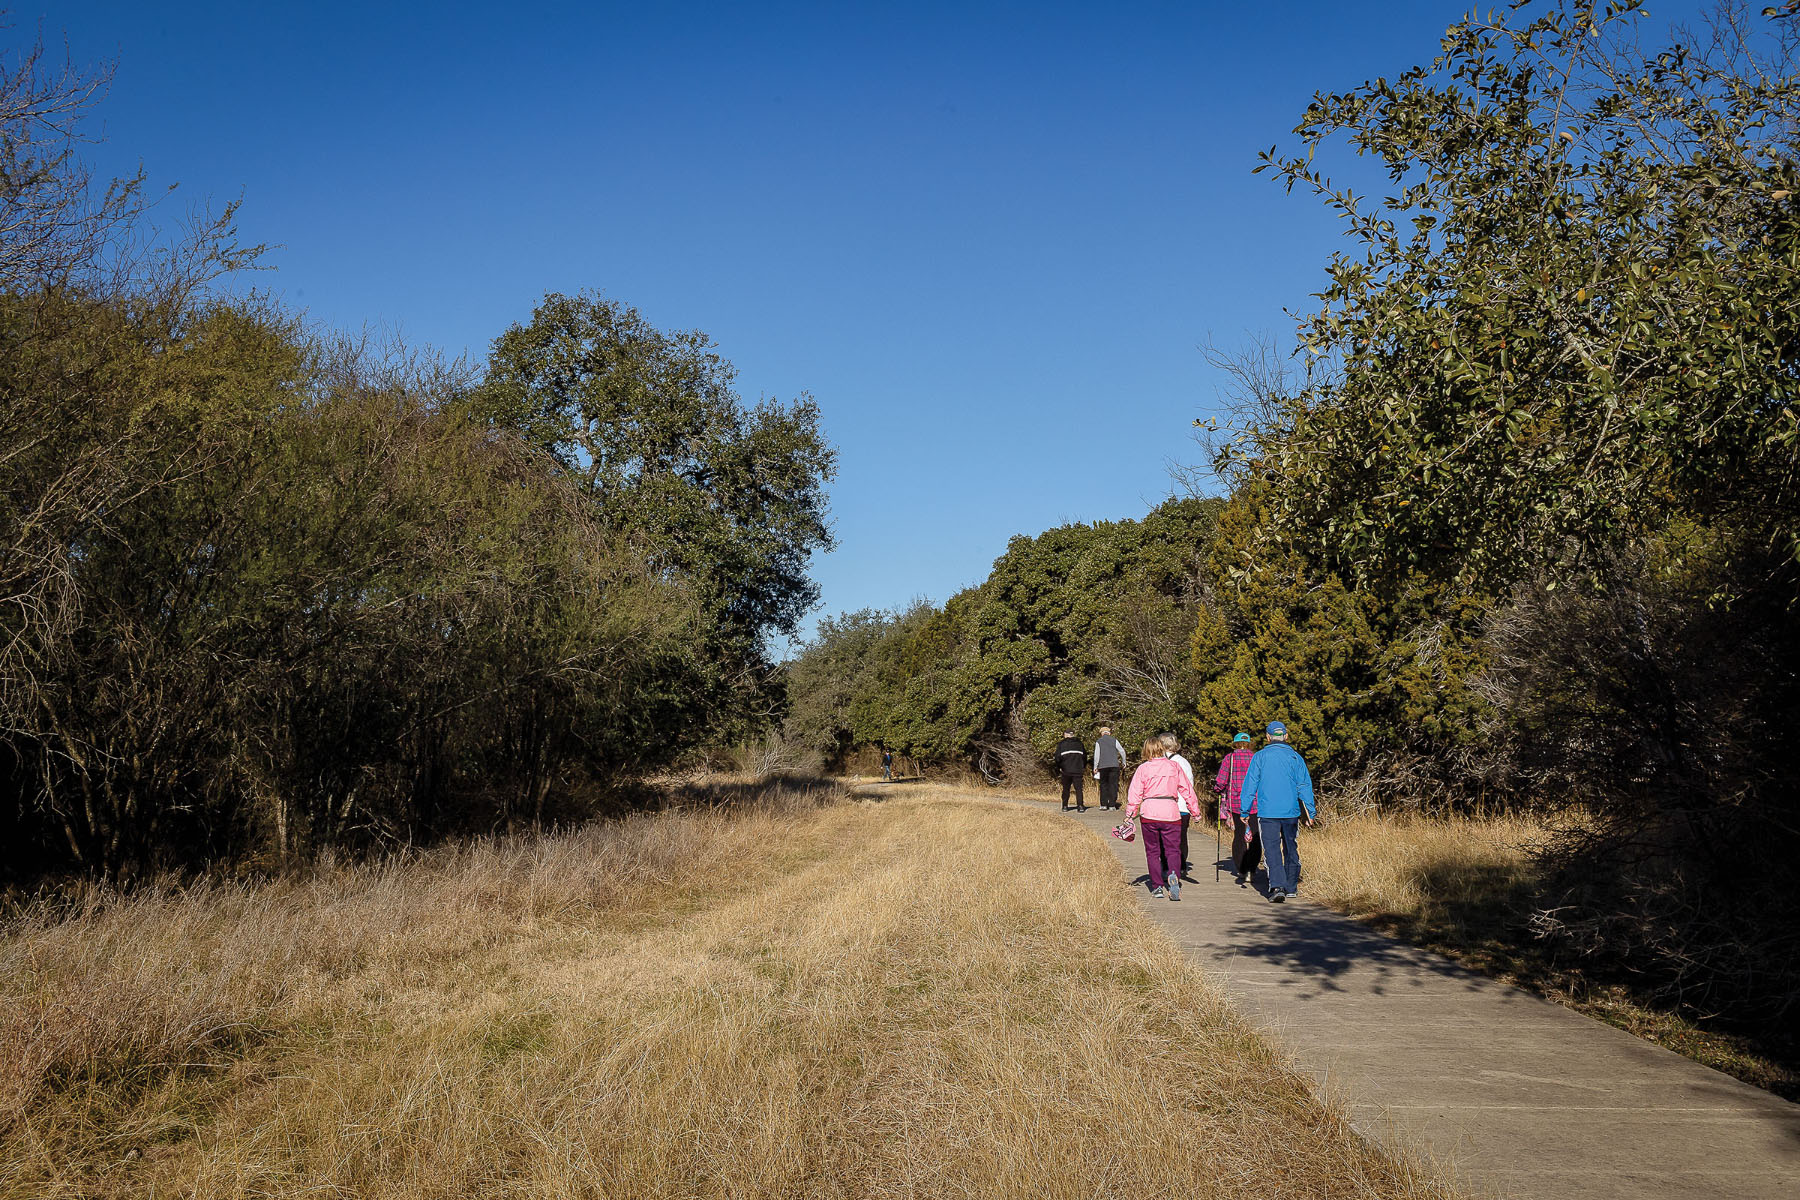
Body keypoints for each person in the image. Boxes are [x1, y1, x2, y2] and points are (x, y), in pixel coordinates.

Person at [1240, 721, 1316, 903]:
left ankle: (1277, 886)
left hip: (1268, 813)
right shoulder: (1295, 757)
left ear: (1268, 737)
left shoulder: (1259, 757)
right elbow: (1304, 786)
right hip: (1291, 812)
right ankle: (1291, 886)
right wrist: (1310, 812)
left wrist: (1245, 810)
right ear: (1286, 736)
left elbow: (1250, 784)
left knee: (1272, 849)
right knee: (1291, 846)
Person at [1127, 737, 1199, 899]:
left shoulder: (1143, 768)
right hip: (1171, 812)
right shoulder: (1174, 767)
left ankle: (1157, 886)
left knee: (1153, 851)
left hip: (1149, 812)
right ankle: (1173, 875)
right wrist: (1195, 811)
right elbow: (1187, 790)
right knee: (1173, 850)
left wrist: (1130, 814)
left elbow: (1135, 793)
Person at [1214, 732, 1260, 885]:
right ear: (1249, 744)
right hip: (1255, 802)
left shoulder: (1230, 758)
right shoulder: (1255, 758)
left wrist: (1218, 789)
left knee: (1239, 835)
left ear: (1235, 743)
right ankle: (1252, 869)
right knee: (1254, 835)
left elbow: (1221, 780)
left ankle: (1242, 869)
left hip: (1236, 803)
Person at [1161, 733, 1196, 873]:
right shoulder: (1184, 762)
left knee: (1163, 838)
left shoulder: (1158, 762)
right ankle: (1181, 866)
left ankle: (1166, 866)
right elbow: (1189, 785)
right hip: (1182, 807)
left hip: (1164, 807)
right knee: (1181, 838)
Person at [1093, 726, 1128, 809]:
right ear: (1109, 733)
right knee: (1113, 785)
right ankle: (1112, 805)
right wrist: (1124, 762)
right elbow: (1122, 751)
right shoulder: (1114, 740)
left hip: (1103, 766)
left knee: (1104, 785)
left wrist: (1095, 766)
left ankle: (1103, 805)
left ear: (1101, 733)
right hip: (1114, 766)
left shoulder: (1099, 741)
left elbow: (1097, 755)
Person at [1054, 731, 1088, 811]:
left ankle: (1065, 806)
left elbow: (1057, 757)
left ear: (1065, 735)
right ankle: (1080, 806)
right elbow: (1084, 757)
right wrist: (1083, 766)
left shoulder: (1062, 744)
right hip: (1078, 769)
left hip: (1066, 769)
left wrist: (1059, 767)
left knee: (1066, 788)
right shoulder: (1079, 743)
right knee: (1079, 789)